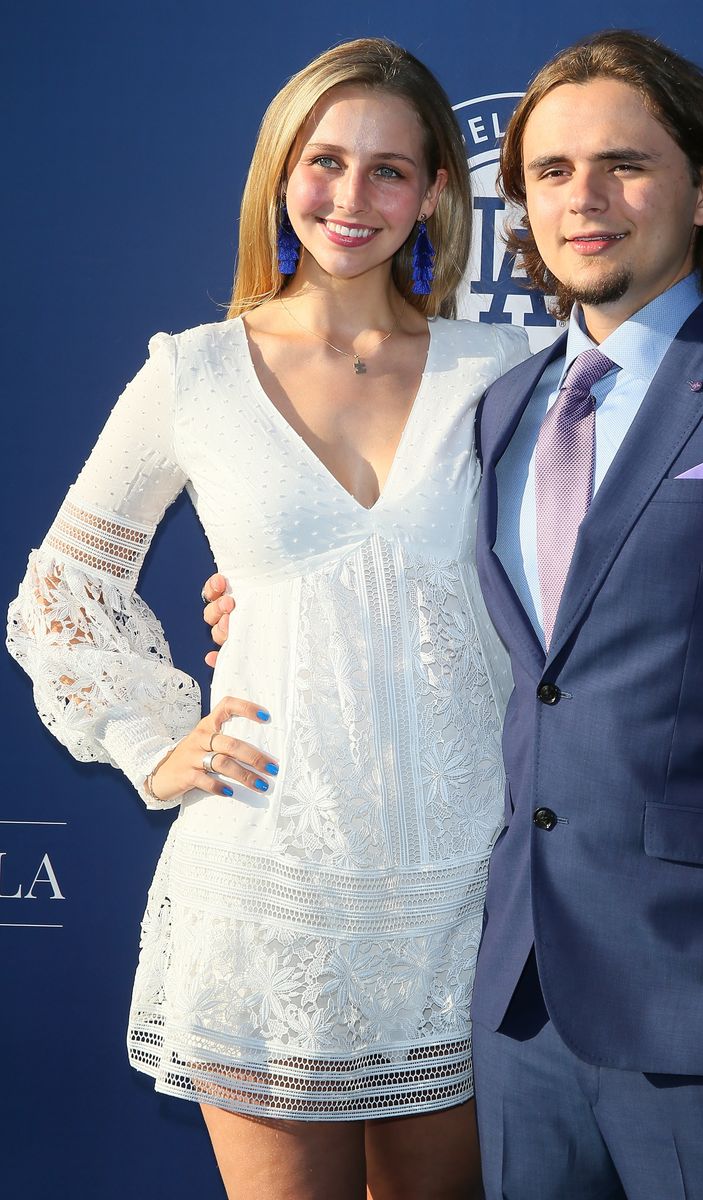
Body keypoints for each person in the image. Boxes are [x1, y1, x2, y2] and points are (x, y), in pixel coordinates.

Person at [207, 27, 703, 1199]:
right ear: (516, 205)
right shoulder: (500, 408)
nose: (582, 200)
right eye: (548, 173)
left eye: (623, 166)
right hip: (518, 1013)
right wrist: (277, 607)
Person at [7, 37, 528, 1200]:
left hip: (463, 885)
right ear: (280, 173)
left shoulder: (510, 366)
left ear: (439, 190)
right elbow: (63, 593)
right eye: (326, 160)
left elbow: (579, 584)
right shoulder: (192, 374)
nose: (353, 198)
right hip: (269, 875)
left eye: (391, 170)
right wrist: (155, 738)